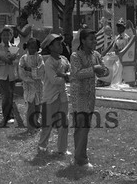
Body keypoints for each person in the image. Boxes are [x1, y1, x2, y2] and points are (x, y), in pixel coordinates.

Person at [70, 28, 109, 168]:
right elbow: (76, 73)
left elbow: (104, 71)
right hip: (79, 96)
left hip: (90, 96)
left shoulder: (96, 55)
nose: (94, 41)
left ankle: (79, 156)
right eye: (91, 39)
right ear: (83, 41)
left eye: (95, 39)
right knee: (82, 127)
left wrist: (104, 70)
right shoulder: (75, 56)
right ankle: (81, 160)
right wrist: (94, 69)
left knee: (84, 127)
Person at [38, 33, 71, 154]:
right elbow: (54, 80)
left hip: (63, 96)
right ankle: (42, 145)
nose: (60, 46)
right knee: (47, 124)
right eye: (57, 44)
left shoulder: (64, 60)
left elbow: (70, 71)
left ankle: (62, 149)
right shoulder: (48, 63)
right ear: (50, 47)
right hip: (50, 97)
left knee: (64, 123)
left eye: (61, 44)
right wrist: (66, 77)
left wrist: (65, 75)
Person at [0, 26, 23, 128]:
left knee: (10, 95)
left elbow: (17, 60)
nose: (6, 36)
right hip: (2, 75)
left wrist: (11, 60)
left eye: (8, 35)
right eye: (4, 34)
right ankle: (6, 116)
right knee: (6, 96)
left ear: (11, 36)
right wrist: (5, 61)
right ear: (1, 36)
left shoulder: (14, 46)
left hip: (12, 75)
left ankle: (10, 115)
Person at [19, 38, 45, 134]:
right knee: (31, 105)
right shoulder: (23, 58)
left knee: (38, 105)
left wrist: (31, 70)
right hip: (29, 85)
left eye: (35, 47)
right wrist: (29, 78)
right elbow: (21, 71)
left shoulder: (39, 58)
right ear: (27, 47)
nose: (33, 49)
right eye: (31, 47)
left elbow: (41, 69)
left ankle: (36, 121)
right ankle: (30, 126)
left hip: (38, 85)